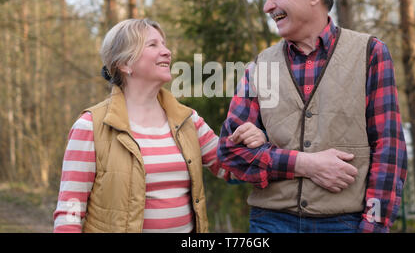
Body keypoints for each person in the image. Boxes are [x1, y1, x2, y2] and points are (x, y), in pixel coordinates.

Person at [217, 0, 408, 233]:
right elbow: (230, 151)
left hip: (345, 223)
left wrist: (374, 223)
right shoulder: (262, 65)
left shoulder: (370, 53)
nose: (267, 6)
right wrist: (303, 164)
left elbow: (388, 148)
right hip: (270, 222)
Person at [53, 18, 266, 233]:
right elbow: (70, 208)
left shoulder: (188, 120)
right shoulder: (91, 126)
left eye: (164, 44)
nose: (167, 51)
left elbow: (231, 168)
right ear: (125, 64)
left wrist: (252, 143)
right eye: (153, 45)